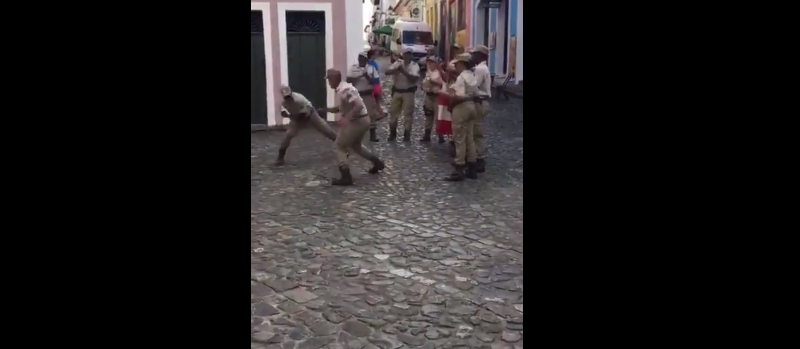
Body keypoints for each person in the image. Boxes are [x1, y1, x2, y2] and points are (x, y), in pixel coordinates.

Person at [320, 69, 385, 186]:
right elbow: (344, 108)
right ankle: (377, 162)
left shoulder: (345, 90)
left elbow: (358, 106)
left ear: (334, 79)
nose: (328, 82)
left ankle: (346, 177)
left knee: (339, 146)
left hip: (357, 121)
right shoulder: (343, 88)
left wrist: (347, 118)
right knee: (356, 146)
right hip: (363, 120)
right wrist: (327, 110)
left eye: (329, 79)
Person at [273, 85, 338, 166]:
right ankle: (280, 157)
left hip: (310, 114)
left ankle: (342, 143)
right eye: (286, 97)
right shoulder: (284, 104)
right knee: (288, 136)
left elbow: (305, 113)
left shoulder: (299, 99)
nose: (288, 98)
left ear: (291, 93)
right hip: (296, 118)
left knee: (325, 129)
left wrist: (293, 117)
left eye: (289, 96)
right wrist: (287, 115)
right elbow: (285, 113)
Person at [442, 53, 479, 181]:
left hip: (462, 107)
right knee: (469, 137)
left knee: (459, 138)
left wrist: (451, 105)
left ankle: (459, 167)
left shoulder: (461, 77)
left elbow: (459, 96)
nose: (455, 66)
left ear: (463, 64)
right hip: (471, 106)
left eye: (457, 64)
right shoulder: (471, 76)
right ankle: (472, 165)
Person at [385, 48, 420, 142]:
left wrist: (403, 71)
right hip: (397, 91)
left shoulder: (414, 65)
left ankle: (407, 134)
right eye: (405, 54)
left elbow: (414, 79)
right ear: (403, 55)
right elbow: (387, 72)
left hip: (408, 92)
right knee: (393, 113)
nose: (407, 56)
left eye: (409, 54)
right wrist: (396, 69)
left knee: (408, 114)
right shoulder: (398, 63)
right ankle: (392, 133)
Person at [347, 51, 382, 142]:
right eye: (359, 58)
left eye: (363, 58)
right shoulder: (353, 68)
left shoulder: (371, 68)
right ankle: (354, 135)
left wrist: (366, 76)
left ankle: (373, 135)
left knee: (371, 114)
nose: (361, 60)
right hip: (357, 95)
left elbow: (375, 82)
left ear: (366, 59)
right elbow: (348, 79)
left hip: (367, 94)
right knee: (355, 115)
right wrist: (360, 76)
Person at [470, 45, 491, 173]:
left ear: (480, 56)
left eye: (474, 54)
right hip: (483, 102)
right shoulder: (483, 68)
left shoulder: (480, 69)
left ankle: (479, 159)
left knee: (477, 131)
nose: (472, 56)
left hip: (480, 101)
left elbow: (473, 86)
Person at [421, 56, 444, 142]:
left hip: (437, 96)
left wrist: (432, 82)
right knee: (428, 115)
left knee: (438, 116)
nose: (430, 65)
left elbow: (442, 83)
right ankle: (427, 135)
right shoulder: (428, 72)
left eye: (432, 63)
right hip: (428, 95)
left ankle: (440, 136)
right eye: (429, 63)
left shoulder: (438, 73)